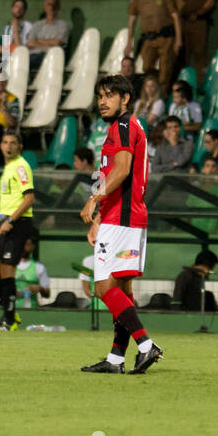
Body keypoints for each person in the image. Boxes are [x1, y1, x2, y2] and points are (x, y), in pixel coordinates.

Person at [78, 75, 163, 375]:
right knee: (122, 290)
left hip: (123, 219)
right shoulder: (125, 127)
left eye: (110, 95)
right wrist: (100, 215)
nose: (103, 101)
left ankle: (145, 345)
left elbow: (123, 170)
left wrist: (94, 198)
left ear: (125, 99)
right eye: (100, 95)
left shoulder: (124, 125)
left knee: (104, 287)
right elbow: (114, 173)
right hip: (122, 217)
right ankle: (116, 358)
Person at [0, 131, 36, 331]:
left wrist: (10, 220)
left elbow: (29, 198)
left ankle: (9, 319)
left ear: (19, 146)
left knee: (7, 269)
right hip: (6, 223)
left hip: (18, 223)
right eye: (5, 142)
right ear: (0, 145)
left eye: (13, 143)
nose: (9, 146)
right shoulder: (8, 167)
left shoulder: (21, 166)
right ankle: (10, 314)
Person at [125, 0, 182, 88]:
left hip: (166, 37)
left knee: (166, 68)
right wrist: (129, 42)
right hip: (149, 38)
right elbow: (132, 20)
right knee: (147, 67)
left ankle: (163, 94)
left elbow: (175, 17)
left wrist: (178, 39)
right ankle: (156, 89)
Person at [173, 249, 218, 313]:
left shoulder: (198, 278)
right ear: (204, 265)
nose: (210, 272)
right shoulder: (185, 276)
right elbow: (176, 300)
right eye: (211, 268)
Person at [13, 235, 51, 311]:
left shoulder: (39, 267)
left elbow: (47, 294)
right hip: (12, 309)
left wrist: (40, 289)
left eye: (27, 245)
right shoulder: (9, 266)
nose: (23, 248)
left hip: (32, 310)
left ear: (32, 247)